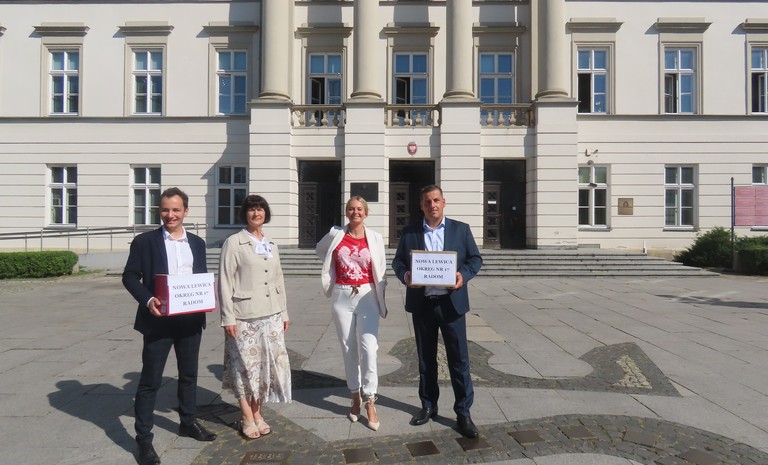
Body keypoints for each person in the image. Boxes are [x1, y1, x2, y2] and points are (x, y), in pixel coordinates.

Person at [122, 187, 216, 465]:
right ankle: (144, 440)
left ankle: (188, 422)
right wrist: (147, 299)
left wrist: (207, 295)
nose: (170, 215)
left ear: (186, 211)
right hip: (158, 321)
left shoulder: (197, 243)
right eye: (165, 209)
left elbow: (199, 276)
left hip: (190, 320)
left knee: (189, 376)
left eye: (176, 210)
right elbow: (129, 276)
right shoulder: (145, 242)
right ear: (159, 211)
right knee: (150, 381)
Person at [391, 184, 483, 439]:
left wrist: (462, 275)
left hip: (451, 304)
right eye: (427, 201)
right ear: (421, 206)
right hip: (423, 305)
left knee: (459, 360)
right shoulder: (410, 232)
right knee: (425, 359)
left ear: (443, 202)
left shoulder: (461, 229)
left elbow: (475, 259)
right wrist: (406, 276)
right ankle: (428, 406)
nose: (432, 205)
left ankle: (463, 413)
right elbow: (398, 262)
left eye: (436, 200)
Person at [218, 194, 291, 439]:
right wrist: (227, 317)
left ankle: (258, 413)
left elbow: (278, 279)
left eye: (260, 209)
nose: (256, 213)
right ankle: (247, 417)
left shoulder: (271, 244)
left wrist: (284, 311)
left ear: (265, 213)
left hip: (272, 314)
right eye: (252, 210)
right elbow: (225, 281)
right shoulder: (234, 243)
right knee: (245, 368)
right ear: (245, 214)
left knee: (264, 367)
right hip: (244, 316)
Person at [316, 196, 388, 431]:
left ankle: (370, 399)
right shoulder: (336, 234)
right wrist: (333, 267)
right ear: (346, 212)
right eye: (351, 209)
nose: (355, 212)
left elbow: (380, 267)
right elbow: (320, 250)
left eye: (359, 209)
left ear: (365, 213)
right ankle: (355, 395)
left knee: (369, 348)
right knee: (348, 348)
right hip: (342, 294)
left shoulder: (375, 237)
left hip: (367, 294)